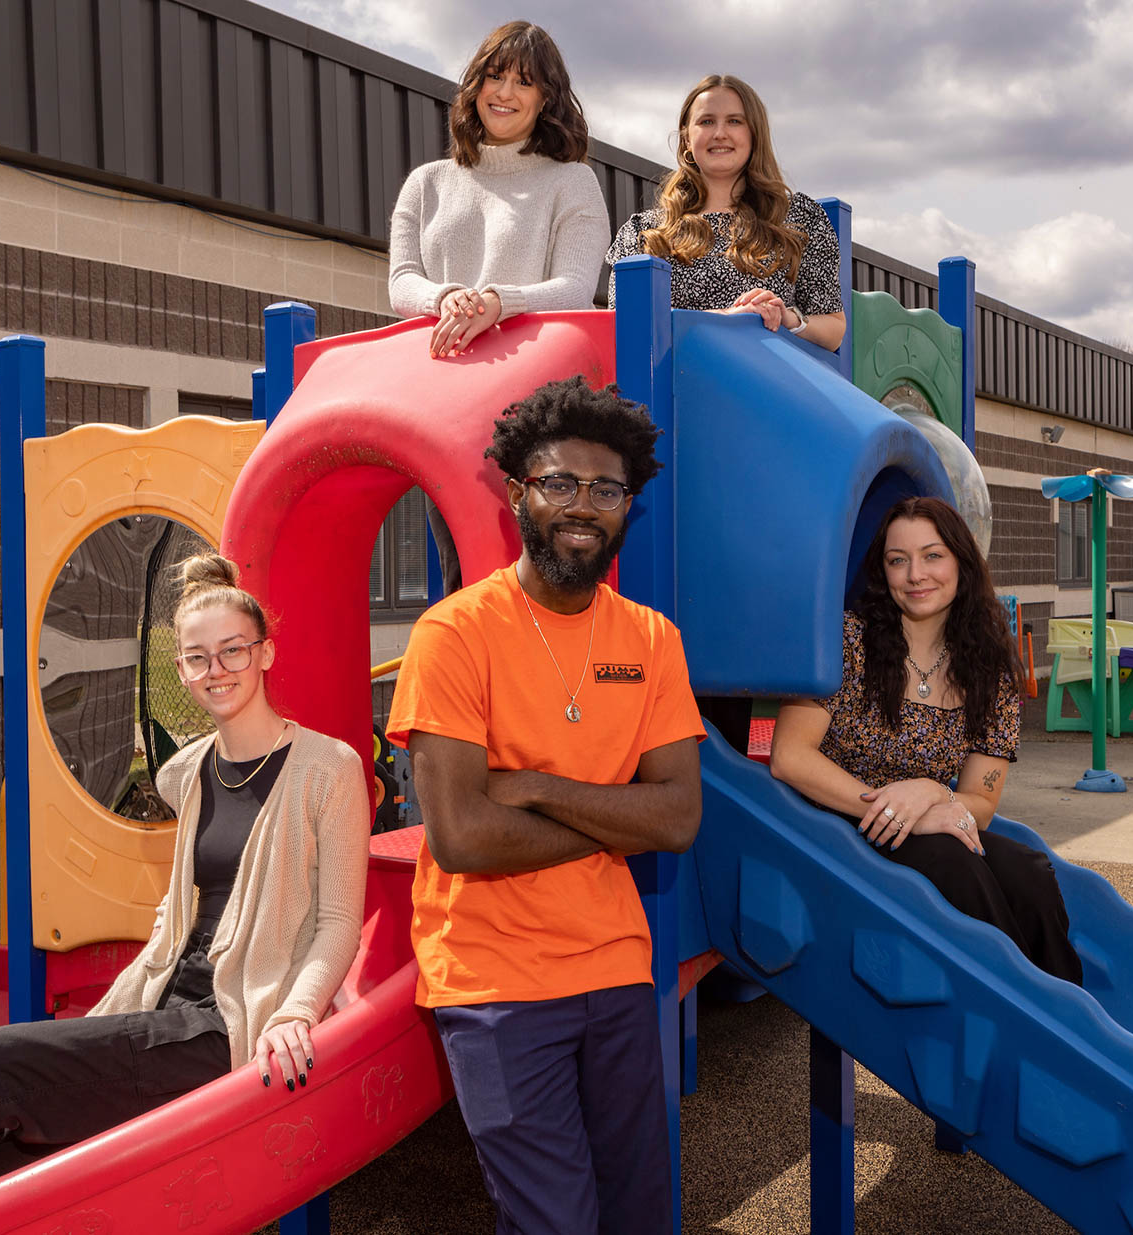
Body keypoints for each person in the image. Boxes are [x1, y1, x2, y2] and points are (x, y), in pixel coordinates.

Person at [0, 554, 370, 1199]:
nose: (216, 670)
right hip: (162, 1001)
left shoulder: (327, 768)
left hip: (227, 1025)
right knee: (10, 1154)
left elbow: (338, 922)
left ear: (267, 654)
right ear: (181, 672)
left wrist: (296, 1012)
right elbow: (182, 901)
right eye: (197, 657)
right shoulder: (188, 772)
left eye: (233, 651)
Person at [387, 376, 704, 1234]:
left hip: (614, 964)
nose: (583, 506)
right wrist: (614, 817)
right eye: (559, 483)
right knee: (554, 1222)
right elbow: (462, 836)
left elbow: (677, 820)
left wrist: (532, 787)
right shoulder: (455, 634)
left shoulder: (651, 639)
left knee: (640, 1215)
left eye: (606, 489)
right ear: (519, 491)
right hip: (493, 980)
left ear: (627, 505)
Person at [769, 497, 1082, 983]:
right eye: (899, 560)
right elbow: (789, 758)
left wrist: (931, 792)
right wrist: (900, 812)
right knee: (954, 860)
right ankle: (1023, 1006)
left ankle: (1069, 1009)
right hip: (833, 826)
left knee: (1029, 870)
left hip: (929, 822)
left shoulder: (988, 669)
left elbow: (980, 799)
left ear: (961, 561)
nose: (916, 574)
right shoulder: (846, 641)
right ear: (883, 571)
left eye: (932, 555)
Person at [389, 20, 611, 594]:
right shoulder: (426, 183)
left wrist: (497, 301)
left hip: (539, 416)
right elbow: (401, 283)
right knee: (464, 571)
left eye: (523, 82)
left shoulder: (573, 182)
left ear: (546, 99)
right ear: (473, 87)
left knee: (543, 574)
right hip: (447, 411)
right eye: (494, 77)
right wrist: (446, 297)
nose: (504, 93)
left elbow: (574, 289)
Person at [607, 74, 845, 352]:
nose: (720, 133)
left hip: (771, 388)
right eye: (706, 121)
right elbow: (622, 327)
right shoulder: (642, 234)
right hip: (672, 389)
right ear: (686, 137)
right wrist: (725, 319)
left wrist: (786, 318)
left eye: (734, 121)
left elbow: (834, 330)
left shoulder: (799, 219)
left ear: (754, 133)